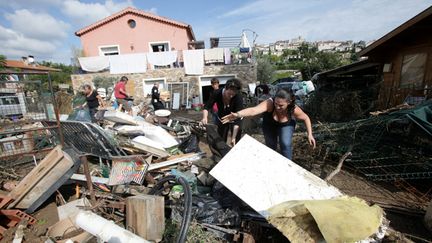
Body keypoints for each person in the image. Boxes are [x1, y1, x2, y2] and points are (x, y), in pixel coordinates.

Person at [222, 88, 316, 160]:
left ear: (289, 102)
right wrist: (238, 114)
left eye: (281, 105)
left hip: (286, 125)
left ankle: (288, 166)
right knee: (271, 146)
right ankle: (272, 164)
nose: (278, 107)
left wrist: (310, 134)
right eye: (276, 104)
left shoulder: (293, 109)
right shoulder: (269, 103)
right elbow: (254, 110)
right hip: (269, 124)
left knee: (285, 143)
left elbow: (306, 118)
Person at [202, 78, 243, 146]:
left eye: (233, 95)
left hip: (235, 119)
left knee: (236, 140)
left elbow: (238, 119)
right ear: (225, 88)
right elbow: (207, 106)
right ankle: (221, 153)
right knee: (221, 138)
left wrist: (233, 137)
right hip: (222, 118)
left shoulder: (238, 96)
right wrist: (204, 117)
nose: (231, 96)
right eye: (229, 94)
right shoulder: (217, 93)